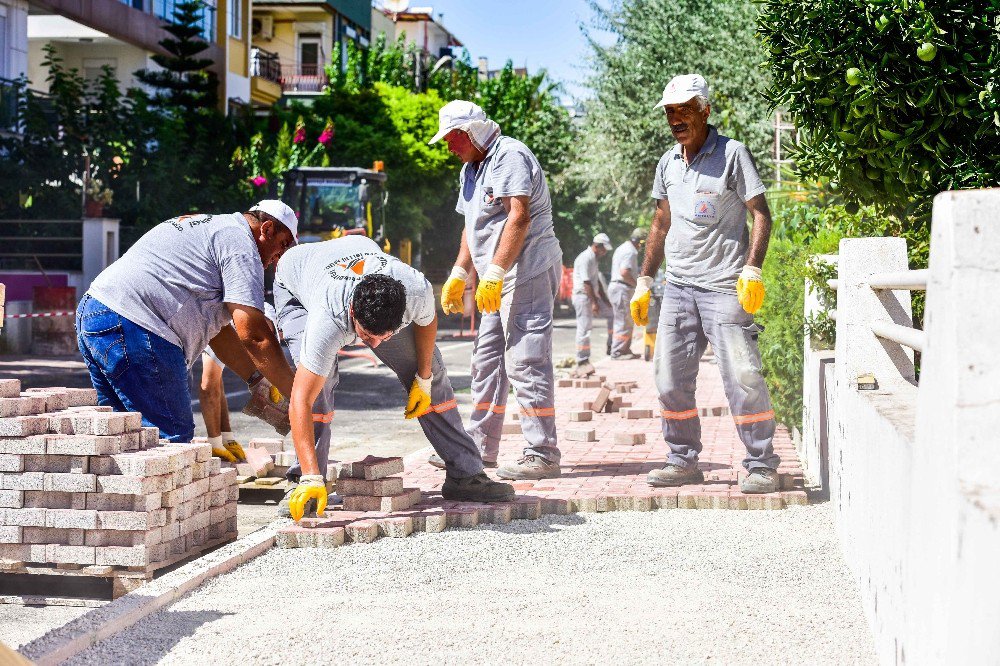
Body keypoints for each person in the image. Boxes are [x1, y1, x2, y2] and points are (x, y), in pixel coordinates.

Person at [274, 236, 515, 521]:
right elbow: (301, 399)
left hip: (355, 255)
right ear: (353, 313)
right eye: (366, 337)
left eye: (384, 338)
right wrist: (312, 478)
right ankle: (305, 480)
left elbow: (427, 323)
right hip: (296, 284)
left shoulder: (415, 290)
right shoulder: (327, 319)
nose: (374, 346)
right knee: (319, 385)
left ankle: (465, 475)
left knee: (432, 370)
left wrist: (423, 378)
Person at [629, 74, 781, 494]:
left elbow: (762, 214)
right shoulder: (668, 163)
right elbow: (661, 221)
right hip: (677, 288)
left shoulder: (732, 154)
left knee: (743, 377)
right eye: (670, 112)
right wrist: (645, 279)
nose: (676, 119)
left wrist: (753, 269)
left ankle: (762, 463)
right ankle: (682, 460)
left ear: (705, 110)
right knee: (669, 379)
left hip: (724, 288)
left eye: (684, 110)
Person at [76, 200, 298, 443]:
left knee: (122, 439)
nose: (280, 256)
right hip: (138, 324)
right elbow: (254, 335)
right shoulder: (242, 245)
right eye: (283, 244)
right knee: (170, 442)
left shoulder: (213, 228)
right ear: (266, 229)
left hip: (95, 312)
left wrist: (258, 380)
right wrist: (298, 395)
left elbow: (218, 332)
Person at [433, 100, 563, 481]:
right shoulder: (471, 168)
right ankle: (478, 446)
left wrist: (494, 272)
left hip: (527, 271)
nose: (448, 146)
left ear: (472, 132)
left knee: (525, 359)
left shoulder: (509, 156)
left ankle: (542, 453)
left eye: (453, 137)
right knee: (487, 360)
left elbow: (518, 216)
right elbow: (472, 226)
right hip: (498, 275)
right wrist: (460, 270)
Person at [199, 303, 280, 463]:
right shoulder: (223, 332)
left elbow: (217, 384)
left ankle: (223, 439)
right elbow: (208, 387)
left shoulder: (266, 321)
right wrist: (215, 442)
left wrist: (227, 438)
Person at [571, 233, 614, 376]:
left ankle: (611, 346)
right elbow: (587, 282)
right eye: (604, 249)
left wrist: (606, 302)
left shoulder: (594, 259)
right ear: (597, 246)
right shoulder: (585, 258)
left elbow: (597, 283)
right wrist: (595, 303)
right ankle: (582, 359)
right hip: (583, 296)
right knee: (584, 327)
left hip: (591, 296)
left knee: (612, 314)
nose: (605, 252)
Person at [608, 228, 647, 360]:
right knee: (623, 321)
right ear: (639, 242)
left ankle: (624, 350)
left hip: (619, 288)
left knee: (625, 320)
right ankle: (618, 352)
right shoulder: (630, 251)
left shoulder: (623, 248)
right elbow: (624, 272)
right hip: (622, 288)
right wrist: (638, 285)